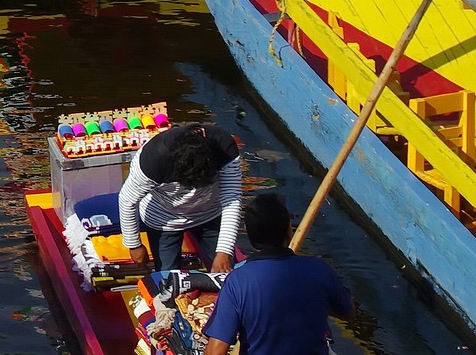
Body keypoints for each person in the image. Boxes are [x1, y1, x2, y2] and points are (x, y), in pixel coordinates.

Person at [202, 193, 354, 355]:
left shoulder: (237, 281)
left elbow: (216, 351)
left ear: (247, 231)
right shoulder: (321, 269)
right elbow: (348, 312)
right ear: (288, 229)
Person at [119, 119, 243, 274]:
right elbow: (127, 200)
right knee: (168, 280)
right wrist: (134, 244)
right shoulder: (151, 161)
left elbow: (231, 197)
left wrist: (224, 251)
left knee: (228, 273)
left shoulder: (224, 147)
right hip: (164, 218)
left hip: (210, 213)